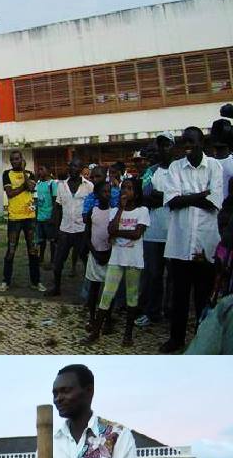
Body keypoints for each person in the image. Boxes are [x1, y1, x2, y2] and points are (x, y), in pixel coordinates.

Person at [161, 126, 224, 353]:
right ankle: (176, 339)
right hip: (179, 244)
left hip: (205, 246)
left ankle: (201, 339)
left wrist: (186, 197)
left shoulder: (214, 167)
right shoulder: (175, 167)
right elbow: (172, 201)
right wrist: (200, 195)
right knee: (179, 296)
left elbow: (214, 202)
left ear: (201, 143)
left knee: (202, 297)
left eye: (191, 141)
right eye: (183, 142)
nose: (186, 146)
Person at [83, 178, 148, 347]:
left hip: (133, 260)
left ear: (137, 192)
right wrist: (121, 209)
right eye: (123, 188)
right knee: (106, 296)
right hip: (116, 259)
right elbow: (110, 230)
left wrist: (118, 233)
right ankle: (96, 332)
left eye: (129, 188)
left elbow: (137, 234)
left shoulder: (142, 211)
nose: (125, 191)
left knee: (131, 297)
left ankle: (128, 334)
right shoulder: (115, 211)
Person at [136, 136, 176, 327]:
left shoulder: (180, 170)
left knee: (174, 276)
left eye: (167, 145)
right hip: (153, 232)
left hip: (176, 231)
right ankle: (152, 312)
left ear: (173, 147)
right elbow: (145, 196)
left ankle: (171, 311)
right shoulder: (151, 172)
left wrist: (167, 197)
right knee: (153, 275)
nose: (163, 149)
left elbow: (183, 196)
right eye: (160, 146)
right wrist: (170, 197)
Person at [0, 151, 44, 293]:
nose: (14, 162)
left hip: (29, 217)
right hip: (14, 218)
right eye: (12, 160)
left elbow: (31, 187)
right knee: (11, 250)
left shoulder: (30, 173)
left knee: (33, 250)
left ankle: (35, 282)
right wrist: (24, 186)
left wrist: (24, 172)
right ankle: (6, 281)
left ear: (22, 160)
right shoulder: (7, 174)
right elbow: (10, 193)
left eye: (17, 159)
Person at [47, 159, 93, 297]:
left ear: (81, 169)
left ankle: (89, 290)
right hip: (65, 230)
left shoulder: (89, 186)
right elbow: (58, 208)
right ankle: (57, 287)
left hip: (81, 230)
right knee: (58, 261)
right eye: (71, 166)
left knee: (86, 261)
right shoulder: (62, 186)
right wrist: (56, 230)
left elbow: (92, 208)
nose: (73, 168)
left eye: (76, 166)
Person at [82, 181, 114, 333]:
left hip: (109, 256)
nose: (107, 195)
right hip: (95, 256)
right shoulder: (92, 212)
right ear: (97, 194)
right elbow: (87, 236)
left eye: (109, 192)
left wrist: (109, 253)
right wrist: (94, 253)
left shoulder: (114, 212)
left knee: (108, 290)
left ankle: (108, 319)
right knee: (94, 290)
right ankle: (93, 317)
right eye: (104, 192)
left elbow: (115, 236)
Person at [35, 166, 59, 269]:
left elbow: (55, 201)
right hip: (39, 217)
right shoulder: (38, 184)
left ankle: (53, 261)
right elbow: (35, 200)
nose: (40, 171)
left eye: (42, 169)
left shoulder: (52, 184)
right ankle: (41, 259)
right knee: (41, 240)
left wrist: (53, 217)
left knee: (52, 241)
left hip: (49, 217)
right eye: (39, 170)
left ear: (48, 171)